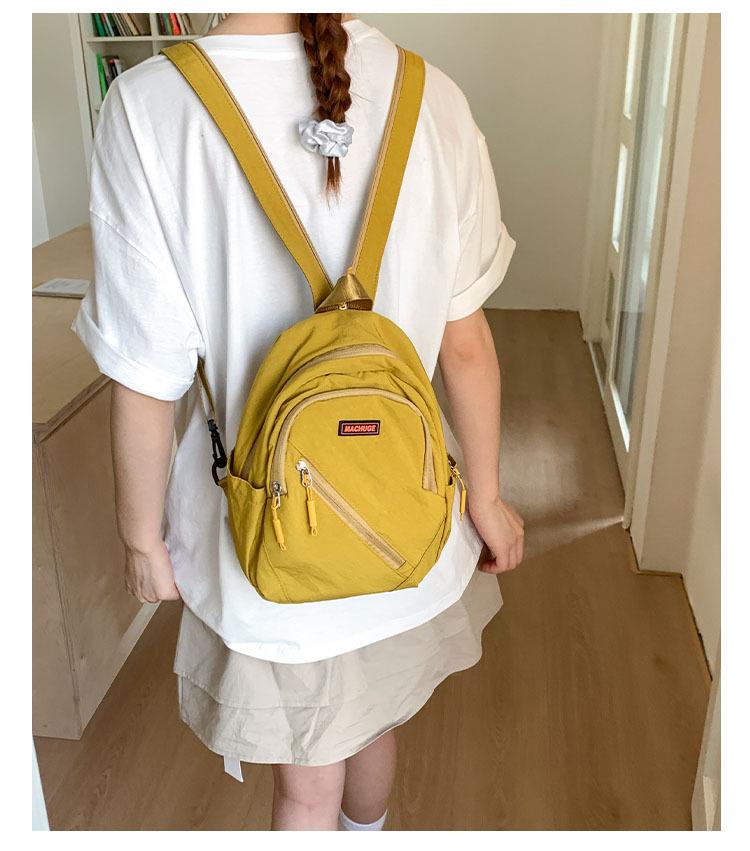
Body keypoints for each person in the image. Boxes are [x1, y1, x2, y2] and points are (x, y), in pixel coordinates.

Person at [73, 12, 524, 831]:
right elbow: (466, 347)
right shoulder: (433, 95)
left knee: (306, 782)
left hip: (266, 539)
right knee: (374, 720)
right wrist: (486, 495)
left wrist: (142, 538)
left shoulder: (149, 106)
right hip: (408, 511)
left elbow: (145, 377)